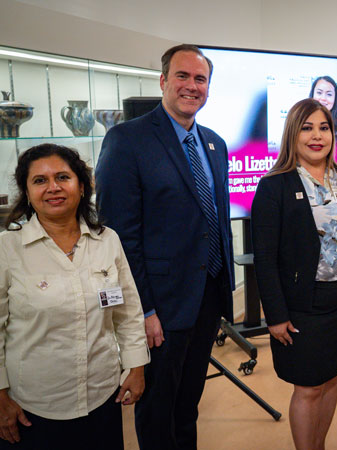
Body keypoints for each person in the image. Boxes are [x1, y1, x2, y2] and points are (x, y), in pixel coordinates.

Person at [95, 44, 234, 450]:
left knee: (188, 403)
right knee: (157, 409)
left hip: (207, 295)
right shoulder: (127, 140)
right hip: (161, 306)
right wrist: (144, 311)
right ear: (162, 81)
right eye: (183, 76)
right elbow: (120, 237)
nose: (192, 86)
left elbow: (215, 223)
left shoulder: (215, 144)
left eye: (200, 79)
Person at [251, 98, 337, 450]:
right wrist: (275, 316)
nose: (316, 136)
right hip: (301, 307)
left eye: (323, 128)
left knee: (331, 379)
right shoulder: (274, 186)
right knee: (308, 387)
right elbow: (264, 258)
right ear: (293, 134)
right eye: (307, 128)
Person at [0, 144, 148, 449]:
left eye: (63, 177)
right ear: (26, 193)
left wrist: (136, 366)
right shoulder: (8, 248)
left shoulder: (107, 240)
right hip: (34, 407)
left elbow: (128, 311)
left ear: (81, 187)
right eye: (39, 180)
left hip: (102, 396)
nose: (53, 187)